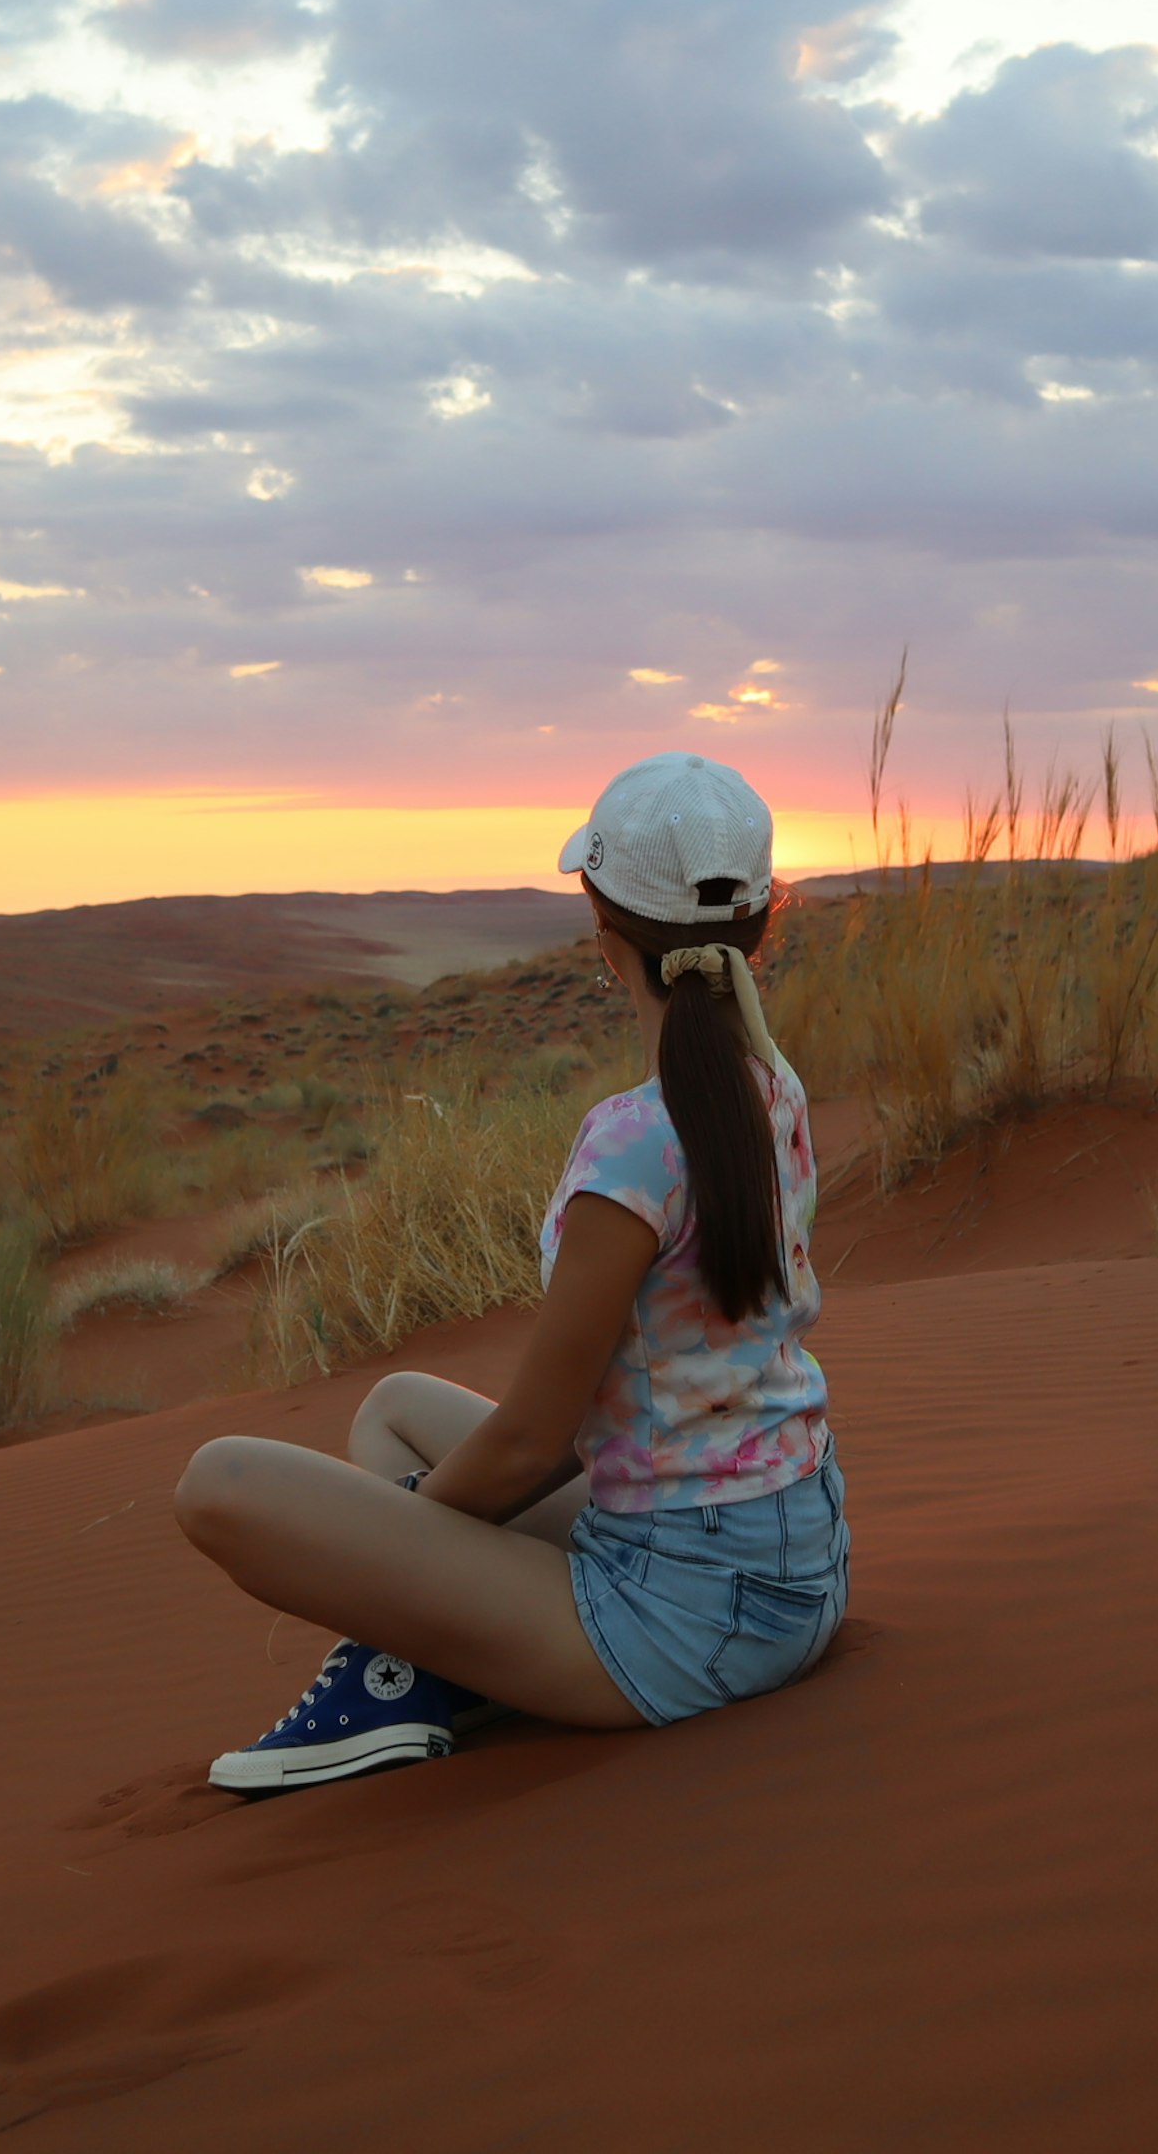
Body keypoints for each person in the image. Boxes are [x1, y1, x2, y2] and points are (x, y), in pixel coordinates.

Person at [173, 751, 849, 1790]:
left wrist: (397, 1557)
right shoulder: (776, 1088)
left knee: (217, 1483)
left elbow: (539, 1436)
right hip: (800, 1565)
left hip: (686, 1620)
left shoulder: (630, 1144)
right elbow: (576, 1431)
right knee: (394, 1406)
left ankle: (408, 1664)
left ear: (604, 938)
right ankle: (456, 1645)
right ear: (760, 925)